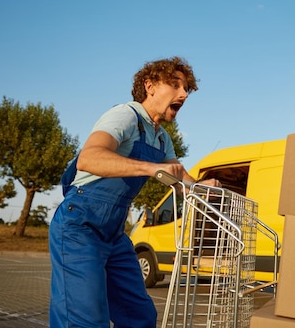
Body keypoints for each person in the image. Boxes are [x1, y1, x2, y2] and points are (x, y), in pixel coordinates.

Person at [49, 57, 219, 328]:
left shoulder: (162, 138)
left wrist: (201, 188)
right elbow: (89, 158)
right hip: (79, 226)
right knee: (85, 320)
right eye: (175, 85)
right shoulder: (126, 115)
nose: (184, 94)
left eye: (186, 88)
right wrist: (148, 168)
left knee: (139, 316)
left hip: (114, 233)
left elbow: (182, 181)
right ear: (149, 86)